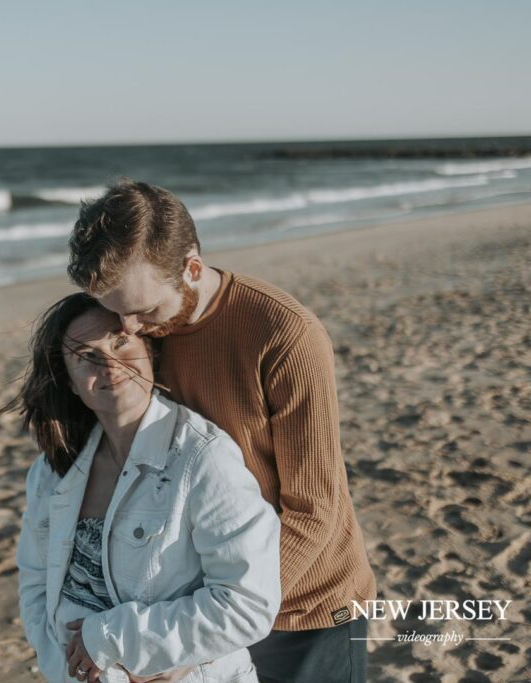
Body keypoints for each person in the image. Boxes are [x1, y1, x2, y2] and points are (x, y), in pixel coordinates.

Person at [67, 179, 377, 682]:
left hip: (308, 606)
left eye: (143, 309)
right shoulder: (141, 329)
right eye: (115, 309)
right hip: (199, 602)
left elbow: (316, 509)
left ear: (191, 269)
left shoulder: (286, 335)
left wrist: (215, 628)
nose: (130, 328)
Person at [9, 293, 281, 683]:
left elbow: (247, 604)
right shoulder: (52, 472)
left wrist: (121, 643)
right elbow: (36, 584)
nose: (110, 365)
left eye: (120, 342)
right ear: (68, 382)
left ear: (149, 351)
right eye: (86, 355)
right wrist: (62, 666)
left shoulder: (202, 457)